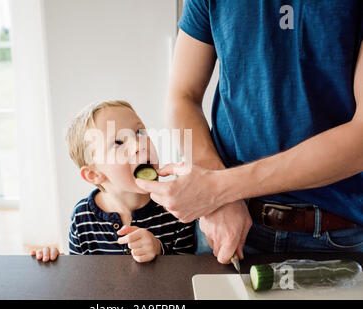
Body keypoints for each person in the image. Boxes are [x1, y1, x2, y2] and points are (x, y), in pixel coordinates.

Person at [135, 0, 363, 264]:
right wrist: (219, 195)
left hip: (341, 233)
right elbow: (181, 97)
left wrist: (219, 188)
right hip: (229, 224)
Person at [32, 100, 195, 262]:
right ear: (94, 175)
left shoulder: (176, 206)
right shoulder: (82, 217)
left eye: (139, 132)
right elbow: (80, 276)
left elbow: (189, 272)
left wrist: (159, 250)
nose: (138, 145)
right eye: (118, 142)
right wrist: (57, 263)